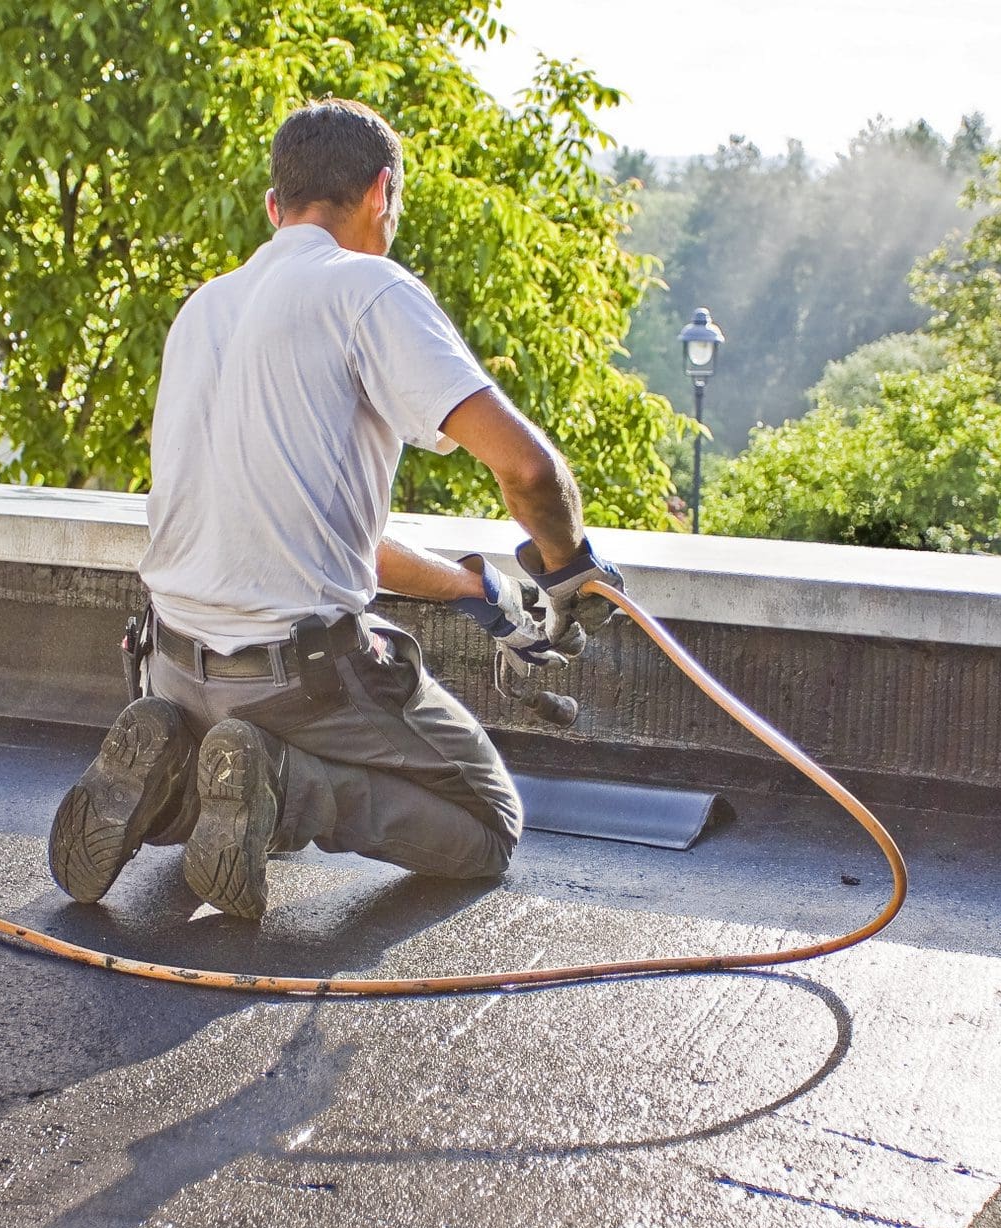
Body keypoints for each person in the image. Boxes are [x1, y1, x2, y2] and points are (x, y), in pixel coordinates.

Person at [46, 98, 622, 919]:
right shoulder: (367, 288)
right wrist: (569, 570)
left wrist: (469, 588)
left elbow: (310, 535)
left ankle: (172, 781)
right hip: (293, 680)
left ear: (274, 208)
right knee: (488, 827)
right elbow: (528, 470)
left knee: (229, 763)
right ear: (381, 193)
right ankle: (288, 786)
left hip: (170, 664)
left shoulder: (205, 308)